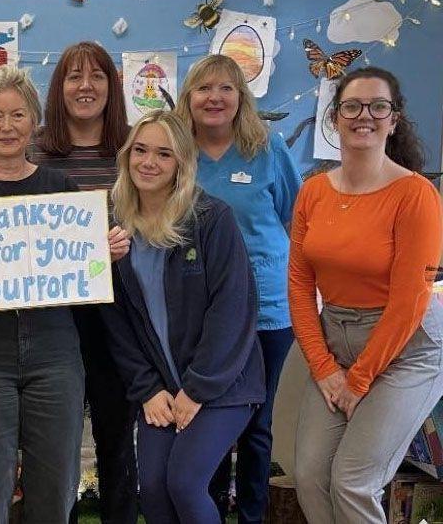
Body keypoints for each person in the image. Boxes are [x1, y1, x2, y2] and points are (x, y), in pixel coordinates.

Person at [0, 65, 126, 522]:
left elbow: (84, 277)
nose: (7, 127)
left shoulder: (59, 189)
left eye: (17, 115)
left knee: (55, 490)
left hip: (54, 352)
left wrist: (105, 255)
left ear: (34, 120)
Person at [290, 67, 443, 524]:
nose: (365, 116)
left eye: (379, 106)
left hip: (405, 347)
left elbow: (409, 300)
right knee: (310, 475)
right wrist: (324, 368)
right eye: (352, 106)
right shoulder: (313, 191)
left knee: (353, 480)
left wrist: (358, 381)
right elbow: (299, 284)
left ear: (393, 120)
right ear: (334, 118)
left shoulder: (416, 194)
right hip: (336, 341)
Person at [100, 110, 264, 524]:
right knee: (153, 488)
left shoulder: (212, 218)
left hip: (223, 383)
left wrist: (198, 389)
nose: (148, 162)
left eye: (163, 154)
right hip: (161, 389)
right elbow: (117, 323)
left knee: (185, 484)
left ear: (181, 164)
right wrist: (147, 388)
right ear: (126, 157)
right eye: (139, 150)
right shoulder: (115, 227)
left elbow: (232, 309)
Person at [175, 54, 301, 524]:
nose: (215, 98)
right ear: (189, 98)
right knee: (206, 419)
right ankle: (204, 511)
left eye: (226, 88)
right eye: (204, 89)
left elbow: (294, 219)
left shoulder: (267, 147)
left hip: (268, 307)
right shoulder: (177, 153)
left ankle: (250, 515)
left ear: (240, 97)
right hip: (204, 311)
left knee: (256, 425)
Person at [29, 41, 138, 524]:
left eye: (97, 76)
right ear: (59, 88)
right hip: (53, 317)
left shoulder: (134, 147)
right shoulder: (33, 146)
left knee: (117, 435)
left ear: (112, 86)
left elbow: (155, 215)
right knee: (56, 439)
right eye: (74, 76)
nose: (86, 86)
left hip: (119, 313)